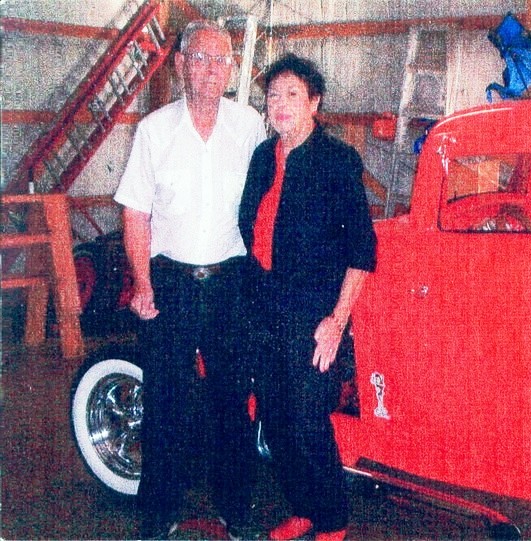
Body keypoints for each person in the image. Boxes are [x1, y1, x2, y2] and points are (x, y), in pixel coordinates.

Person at [113, 19, 267, 540]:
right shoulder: (154, 130)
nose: (210, 69)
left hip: (231, 283)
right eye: (199, 58)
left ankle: (236, 510)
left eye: (220, 60)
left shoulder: (249, 127)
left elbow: (265, 205)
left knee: (231, 400)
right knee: (166, 400)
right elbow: (136, 212)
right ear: (180, 65)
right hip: (170, 283)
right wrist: (143, 283)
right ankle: (160, 513)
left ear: (231, 68)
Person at [239, 53, 377, 541]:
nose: (280, 104)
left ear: (314, 102)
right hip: (264, 307)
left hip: (314, 314)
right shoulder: (263, 157)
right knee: (275, 417)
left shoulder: (338, 161)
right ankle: (303, 507)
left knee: (306, 419)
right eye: (273, 95)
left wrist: (337, 320)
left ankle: (332, 521)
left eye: (292, 94)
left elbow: (362, 249)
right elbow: (249, 231)